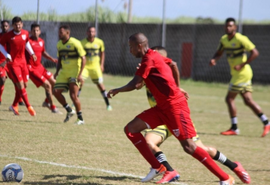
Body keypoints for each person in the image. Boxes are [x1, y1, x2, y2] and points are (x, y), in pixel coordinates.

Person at [107, 33, 235, 185]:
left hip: (175, 107)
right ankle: (158, 167)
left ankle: (226, 178)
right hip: (161, 108)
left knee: (189, 147)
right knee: (131, 129)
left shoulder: (148, 59)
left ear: (139, 46)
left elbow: (135, 84)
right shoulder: (153, 55)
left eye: (131, 47)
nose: (130, 51)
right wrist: (177, 87)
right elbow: (173, 64)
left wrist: (117, 90)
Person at [142, 46, 250, 184]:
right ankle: (167, 170)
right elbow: (138, 83)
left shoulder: (165, 75)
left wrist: (178, 87)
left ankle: (234, 166)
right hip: (162, 119)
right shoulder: (148, 70)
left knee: (201, 149)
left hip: (177, 118)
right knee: (148, 141)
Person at [209, 17, 270, 137]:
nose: (228, 28)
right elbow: (219, 52)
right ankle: (266, 123)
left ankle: (234, 128)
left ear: (235, 27)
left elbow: (255, 52)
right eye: (226, 26)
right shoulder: (224, 39)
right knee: (248, 101)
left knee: (229, 99)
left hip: (242, 74)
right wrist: (214, 59)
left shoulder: (241, 39)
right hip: (237, 74)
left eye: (230, 26)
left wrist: (242, 64)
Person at [0, 16, 36, 116]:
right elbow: (0, 45)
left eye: (19, 24)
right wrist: (7, 55)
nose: (18, 26)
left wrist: (32, 53)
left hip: (23, 63)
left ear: (22, 24)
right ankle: (29, 106)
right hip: (13, 63)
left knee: (24, 85)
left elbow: (27, 43)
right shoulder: (8, 35)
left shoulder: (25, 33)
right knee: (20, 85)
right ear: (13, 26)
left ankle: (14, 105)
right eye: (16, 24)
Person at [53, 25, 86, 125]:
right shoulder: (59, 44)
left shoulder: (75, 43)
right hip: (64, 72)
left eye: (61, 32)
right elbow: (59, 60)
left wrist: (80, 74)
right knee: (56, 92)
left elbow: (83, 58)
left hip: (74, 72)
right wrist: (57, 72)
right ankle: (69, 110)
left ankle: (80, 119)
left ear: (67, 33)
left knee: (73, 96)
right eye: (59, 32)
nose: (59, 34)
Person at [26, 23, 59, 113]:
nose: (35, 32)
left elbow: (43, 52)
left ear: (40, 31)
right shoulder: (27, 42)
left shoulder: (41, 41)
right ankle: (52, 107)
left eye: (37, 30)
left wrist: (52, 59)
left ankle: (46, 102)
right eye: (34, 31)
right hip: (31, 69)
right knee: (47, 85)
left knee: (55, 84)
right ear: (31, 31)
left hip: (40, 67)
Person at [80, 26, 112, 111]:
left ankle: (108, 104)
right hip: (85, 67)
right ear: (87, 32)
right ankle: (74, 102)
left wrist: (102, 64)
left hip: (95, 67)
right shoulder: (82, 43)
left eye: (93, 32)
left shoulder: (99, 42)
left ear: (95, 33)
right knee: (80, 82)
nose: (91, 33)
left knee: (100, 85)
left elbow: (102, 53)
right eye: (89, 31)